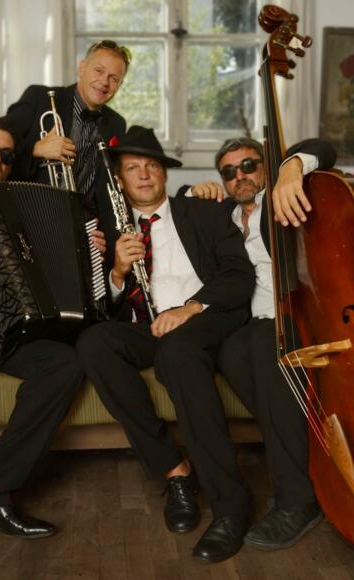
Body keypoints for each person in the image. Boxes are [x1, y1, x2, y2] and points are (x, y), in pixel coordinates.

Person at [75, 125, 256, 541]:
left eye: (152, 166)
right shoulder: (108, 229)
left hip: (206, 319)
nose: (143, 175)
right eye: (132, 168)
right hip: (150, 326)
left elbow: (238, 276)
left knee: (176, 349)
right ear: (119, 179)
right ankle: (175, 471)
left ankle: (231, 505)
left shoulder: (204, 210)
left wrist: (189, 308)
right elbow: (102, 307)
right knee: (95, 343)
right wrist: (117, 271)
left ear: (165, 173)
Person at [179, 136, 336, 562]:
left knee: (269, 347)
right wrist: (190, 190)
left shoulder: (283, 195)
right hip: (248, 323)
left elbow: (323, 147)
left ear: (264, 166)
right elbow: (178, 207)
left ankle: (296, 499)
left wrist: (292, 167)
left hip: (295, 314)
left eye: (248, 165)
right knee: (232, 352)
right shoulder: (224, 216)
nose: (240, 176)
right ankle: (307, 453)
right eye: (229, 172)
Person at [0, 114, 85, 538]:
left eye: (6, 155)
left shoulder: (23, 209)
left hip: (9, 336)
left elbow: (59, 264)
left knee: (63, 364)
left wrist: (87, 251)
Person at [6, 39, 131, 263]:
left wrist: (103, 235)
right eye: (99, 71)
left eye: (114, 79)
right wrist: (35, 149)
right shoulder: (38, 99)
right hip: (28, 225)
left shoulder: (116, 124)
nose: (104, 82)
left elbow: (104, 190)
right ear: (82, 68)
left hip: (81, 235)